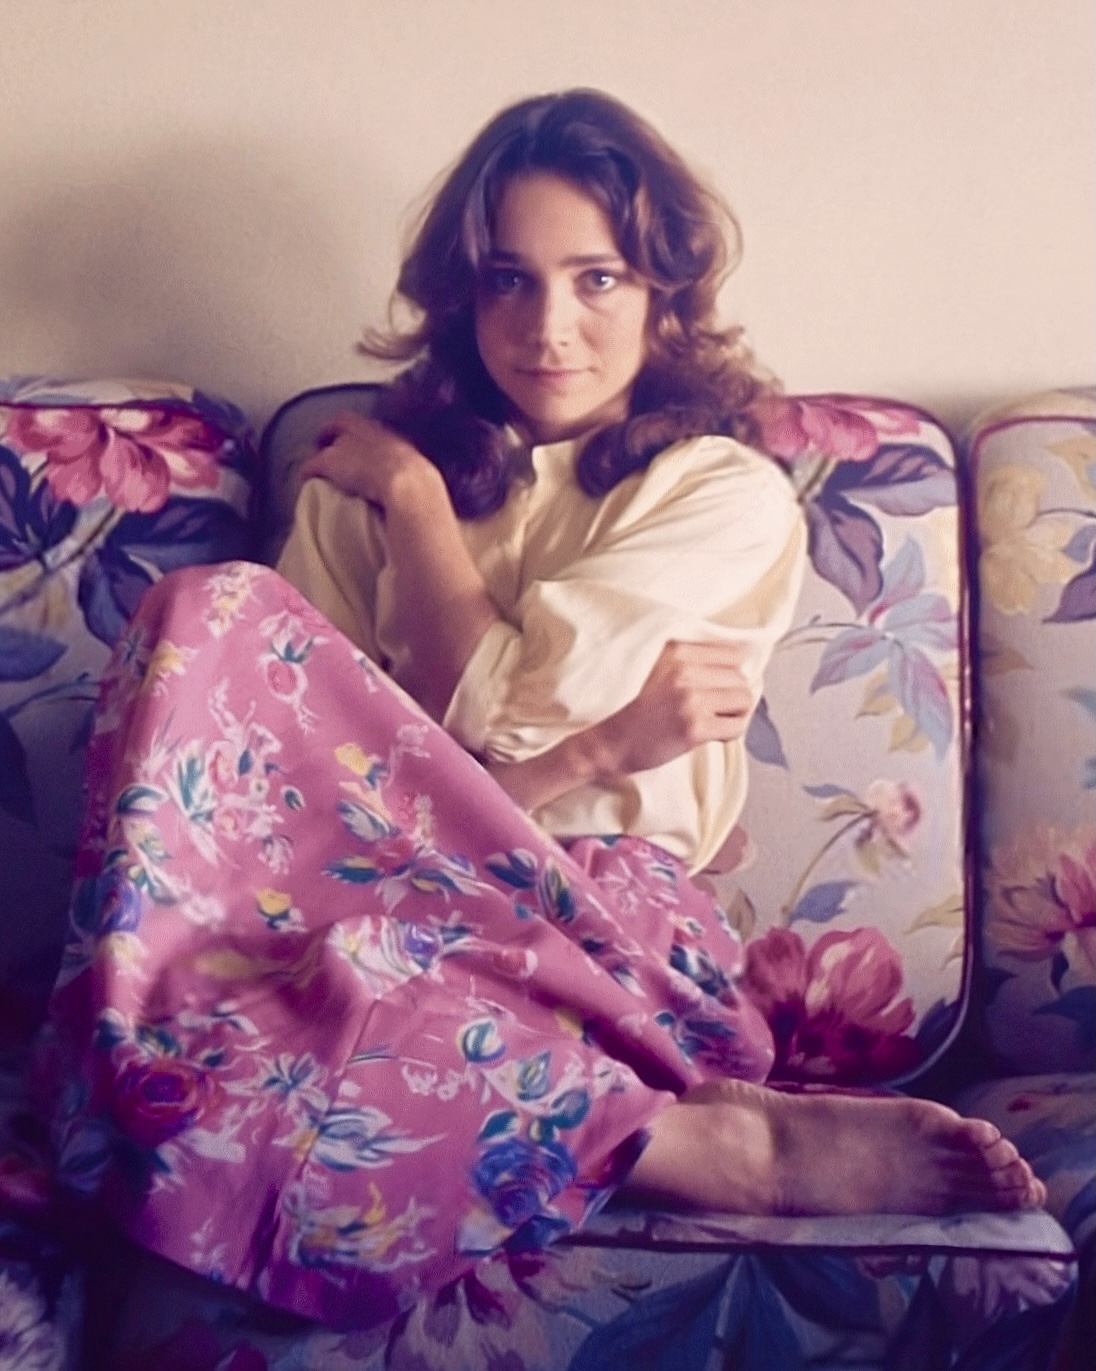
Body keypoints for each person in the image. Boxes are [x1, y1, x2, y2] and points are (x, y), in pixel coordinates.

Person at [38, 89, 1044, 1330]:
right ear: (462, 298)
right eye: (508, 281)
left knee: (355, 1003)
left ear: (664, 295)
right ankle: (657, 1136)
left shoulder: (717, 492)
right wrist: (606, 745)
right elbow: (291, 796)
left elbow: (497, 710)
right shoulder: (349, 492)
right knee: (206, 618)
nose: (549, 329)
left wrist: (417, 507)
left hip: (597, 913)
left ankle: (681, 1129)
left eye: (597, 279)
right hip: (374, 902)